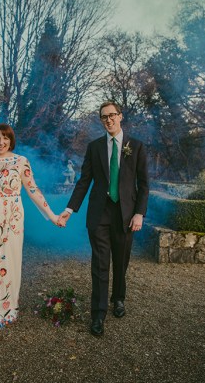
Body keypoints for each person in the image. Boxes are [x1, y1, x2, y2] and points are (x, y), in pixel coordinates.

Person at [58, 101, 149, 337]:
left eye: (111, 115)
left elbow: (144, 184)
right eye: (103, 117)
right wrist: (70, 209)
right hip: (99, 215)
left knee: (121, 261)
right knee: (100, 265)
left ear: (120, 116)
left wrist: (139, 213)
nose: (108, 120)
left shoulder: (136, 147)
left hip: (126, 215)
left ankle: (118, 298)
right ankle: (98, 314)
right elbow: (84, 181)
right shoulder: (94, 147)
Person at [0, 123, 61, 332]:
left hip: (11, 220)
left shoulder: (20, 162)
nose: (1, 142)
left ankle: (7, 310)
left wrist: (53, 216)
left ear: (11, 140)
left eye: (5, 138)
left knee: (7, 262)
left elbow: (33, 191)